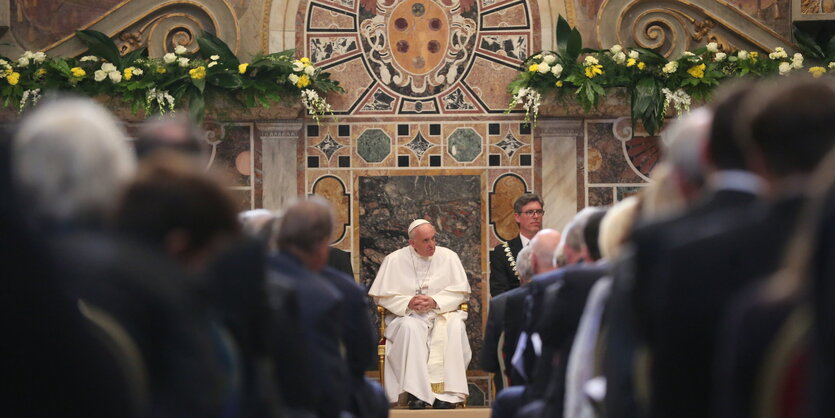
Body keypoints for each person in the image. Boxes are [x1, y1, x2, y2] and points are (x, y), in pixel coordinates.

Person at [369, 219, 471, 409]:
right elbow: (382, 297)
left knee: (455, 326)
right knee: (411, 328)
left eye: (433, 239)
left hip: (443, 314)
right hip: (407, 316)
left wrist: (435, 301)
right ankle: (417, 394)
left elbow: (461, 293)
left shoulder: (449, 257)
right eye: (425, 241)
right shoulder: (394, 260)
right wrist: (407, 302)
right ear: (412, 243)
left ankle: (448, 395)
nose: (431, 245)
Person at [490, 193, 545, 296]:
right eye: (530, 212)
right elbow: (498, 291)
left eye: (539, 211)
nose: (536, 216)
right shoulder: (502, 252)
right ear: (517, 217)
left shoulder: (551, 247)